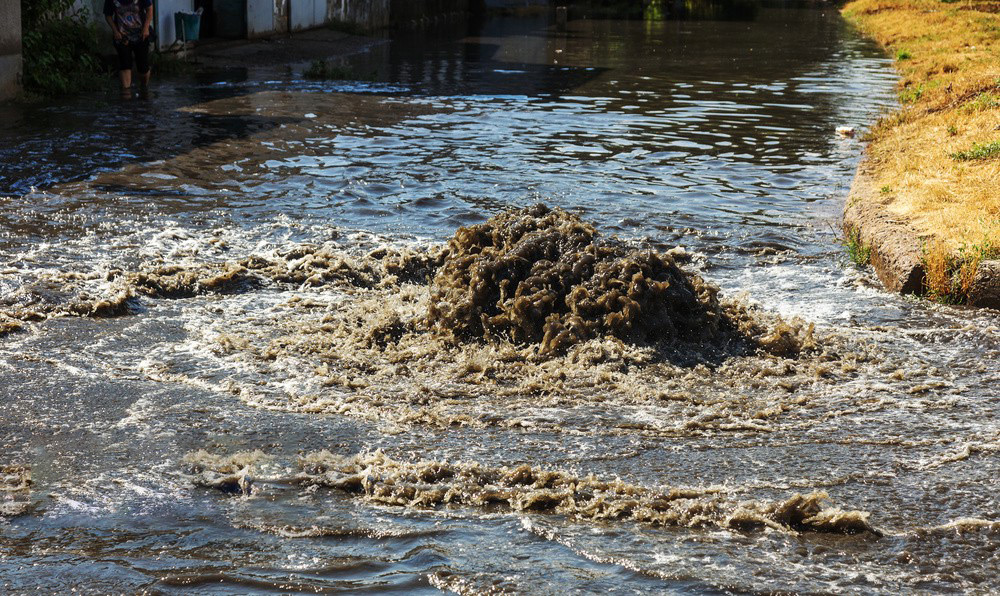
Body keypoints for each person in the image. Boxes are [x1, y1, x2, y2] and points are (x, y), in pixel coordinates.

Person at [104, 0, 154, 95]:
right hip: (122, 36)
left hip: (141, 35)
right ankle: (126, 94)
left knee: (143, 67)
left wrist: (146, 27)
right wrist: (115, 31)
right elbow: (108, 15)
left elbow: (149, 9)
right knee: (125, 64)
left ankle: (144, 87)